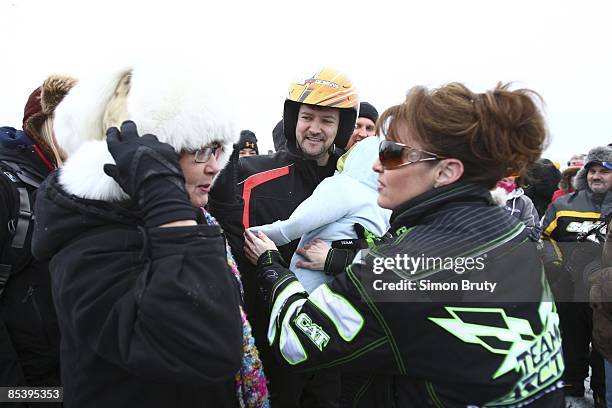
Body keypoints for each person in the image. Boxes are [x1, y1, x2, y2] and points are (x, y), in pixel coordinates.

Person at [244, 82, 564, 407]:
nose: (376, 164)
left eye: (393, 152)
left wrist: (273, 267)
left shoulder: (401, 268)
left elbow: (297, 342)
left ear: (446, 172)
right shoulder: (511, 232)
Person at [30, 64, 268, 408]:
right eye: (199, 149)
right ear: (147, 158)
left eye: (219, 149)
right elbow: (208, 345)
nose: (215, 166)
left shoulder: (196, 220)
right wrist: (164, 194)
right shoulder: (89, 245)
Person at [209, 67, 359, 407]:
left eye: (327, 120)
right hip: (268, 343)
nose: (315, 129)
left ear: (341, 128)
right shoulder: (251, 174)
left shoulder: (355, 186)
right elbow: (228, 246)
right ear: (292, 119)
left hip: (331, 346)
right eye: (307, 117)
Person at [0, 75, 76, 401]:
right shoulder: (9, 188)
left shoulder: (75, 192)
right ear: (46, 124)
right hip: (25, 384)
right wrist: (14, 394)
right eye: (73, 120)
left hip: (69, 377)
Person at [248, 136, 391, 293]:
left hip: (307, 289)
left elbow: (294, 225)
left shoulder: (345, 186)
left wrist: (251, 236)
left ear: (358, 156)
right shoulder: (386, 204)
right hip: (348, 293)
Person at [542, 146, 612, 406]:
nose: (597, 176)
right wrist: (556, 261)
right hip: (569, 288)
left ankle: (602, 394)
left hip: (605, 293)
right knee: (571, 343)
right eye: (592, 171)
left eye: (604, 171)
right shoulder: (563, 204)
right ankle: (571, 392)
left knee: (604, 346)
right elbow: (543, 237)